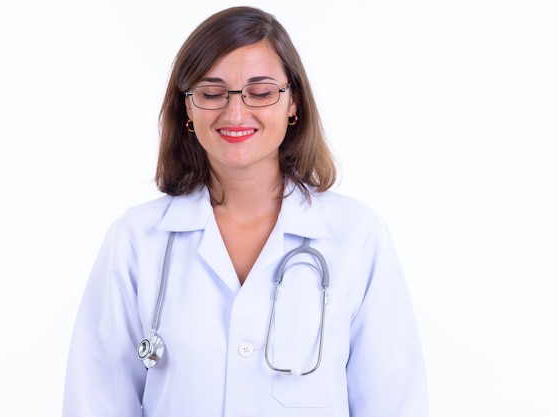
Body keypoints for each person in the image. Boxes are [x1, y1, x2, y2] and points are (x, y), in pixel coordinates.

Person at [62, 6, 427, 417]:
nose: (235, 113)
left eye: (261, 91)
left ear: (294, 104)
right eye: (212, 92)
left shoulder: (357, 237)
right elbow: (95, 402)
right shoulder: (137, 240)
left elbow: (394, 403)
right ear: (188, 108)